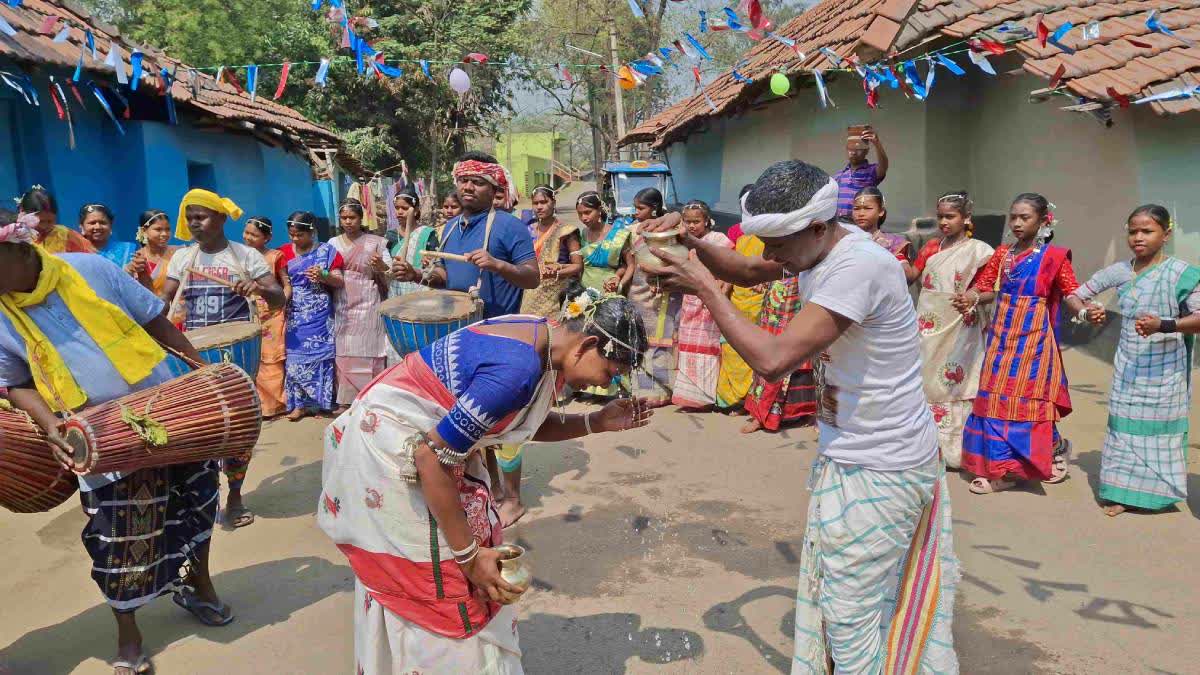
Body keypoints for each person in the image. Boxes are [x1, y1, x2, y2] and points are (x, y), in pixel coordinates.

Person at [645, 159, 957, 673]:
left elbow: (772, 361)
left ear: (817, 227)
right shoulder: (819, 246)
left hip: (881, 465)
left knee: (852, 618)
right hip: (858, 454)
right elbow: (746, 270)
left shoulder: (857, 266)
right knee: (849, 603)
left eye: (778, 245)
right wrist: (688, 243)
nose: (770, 257)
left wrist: (700, 284)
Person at [317, 286, 653, 674]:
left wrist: (596, 422)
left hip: (431, 448)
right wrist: (470, 558)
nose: (604, 385)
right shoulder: (517, 370)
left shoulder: (542, 335)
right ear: (588, 343)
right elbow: (430, 459)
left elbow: (510, 419)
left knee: (462, 559)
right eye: (610, 372)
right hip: (392, 453)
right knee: (439, 578)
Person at [0, 218, 230, 675]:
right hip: (93, 431)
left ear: (20, 251)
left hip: (166, 404)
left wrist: (201, 372)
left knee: (196, 499)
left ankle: (199, 583)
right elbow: (14, 382)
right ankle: (128, 631)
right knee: (115, 533)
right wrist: (49, 423)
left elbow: (155, 322)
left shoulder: (90, 269)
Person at [161, 189, 286, 529]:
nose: (193, 223)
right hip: (194, 355)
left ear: (219, 218)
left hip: (236, 357)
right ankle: (204, 496)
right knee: (199, 431)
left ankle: (234, 494)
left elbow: (277, 297)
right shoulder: (183, 259)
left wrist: (256, 288)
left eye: (200, 217)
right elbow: (165, 298)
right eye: (190, 218)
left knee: (240, 430)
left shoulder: (245, 257)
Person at [1064, 205, 1200, 517]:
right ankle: (1121, 493)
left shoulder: (1181, 273)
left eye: (1147, 231)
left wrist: (1165, 325)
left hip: (1166, 369)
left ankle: (1155, 497)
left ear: (1165, 235)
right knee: (1123, 432)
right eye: (1133, 231)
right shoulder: (1119, 271)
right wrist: (1086, 312)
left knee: (1158, 434)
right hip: (1129, 365)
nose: (1138, 238)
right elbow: (1074, 294)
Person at [952, 193, 1079, 494]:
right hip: (1001, 337)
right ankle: (1006, 466)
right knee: (995, 398)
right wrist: (970, 297)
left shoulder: (1053, 257)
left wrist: (1085, 310)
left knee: (1026, 400)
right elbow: (985, 288)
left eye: (1025, 217)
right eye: (1014, 217)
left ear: (1044, 220)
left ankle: (1028, 461)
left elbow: (1071, 292)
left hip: (1034, 340)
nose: (1018, 223)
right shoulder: (1003, 254)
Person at [494, 185, 583, 527]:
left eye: (545, 201)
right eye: (536, 201)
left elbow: (576, 267)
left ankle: (545, 398)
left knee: (548, 350)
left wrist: (555, 271)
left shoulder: (566, 231)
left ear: (553, 204)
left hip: (552, 297)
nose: (540, 206)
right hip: (525, 297)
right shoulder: (526, 229)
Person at [390, 152, 538, 319]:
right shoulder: (450, 227)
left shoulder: (510, 225)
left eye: (477, 182)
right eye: (463, 180)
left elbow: (533, 278)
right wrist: (415, 275)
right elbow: (445, 275)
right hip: (456, 327)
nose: (467, 187)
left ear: (494, 189)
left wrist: (498, 265)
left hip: (498, 331)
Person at [912, 192, 994, 469]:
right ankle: (925, 448)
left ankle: (956, 451)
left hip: (960, 324)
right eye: (940, 217)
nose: (944, 222)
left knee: (955, 382)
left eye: (950, 216)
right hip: (927, 321)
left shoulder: (979, 250)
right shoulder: (932, 247)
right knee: (925, 380)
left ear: (966, 219)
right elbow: (912, 276)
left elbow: (989, 288)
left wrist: (971, 297)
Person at [330, 198, 393, 411]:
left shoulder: (376, 242)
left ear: (360, 218)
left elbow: (390, 272)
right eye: (344, 218)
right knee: (345, 348)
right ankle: (346, 400)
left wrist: (381, 266)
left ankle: (371, 397)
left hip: (369, 298)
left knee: (370, 347)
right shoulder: (333, 243)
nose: (348, 222)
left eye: (352, 217)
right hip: (342, 297)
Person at [280, 212, 344, 421]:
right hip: (295, 312)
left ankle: (321, 404)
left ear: (311, 232)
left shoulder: (327, 252)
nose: (294, 239)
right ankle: (299, 405)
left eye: (299, 235)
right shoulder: (283, 253)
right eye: (291, 234)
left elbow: (339, 281)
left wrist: (323, 276)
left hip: (320, 312)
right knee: (294, 359)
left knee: (323, 358)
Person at [621, 187, 681, 406]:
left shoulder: (670, 229)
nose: (636, 212)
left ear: (654, 208)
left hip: (665, 290)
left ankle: (666, 390)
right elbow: (626, 261)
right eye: (635, 207)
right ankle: (644, 390)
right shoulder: (631, 230)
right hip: (638, 290)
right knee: (641, 340)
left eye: (641, 208)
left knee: (664, 340)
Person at [672, 200, 733, 410]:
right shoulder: (682, 242)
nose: (691, 226)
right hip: (690, 299)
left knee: (710, 346)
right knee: (689, 346)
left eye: (696, 221)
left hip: (711, 299)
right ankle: (690, 396)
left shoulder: (718, 240)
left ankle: (707, 397)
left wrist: (723, 289)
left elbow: (730, 266)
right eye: (687, 221)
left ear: (707, 221)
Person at [576, 190, 632, 398]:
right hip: (587, 294)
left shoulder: (619, 234)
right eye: (580, 213)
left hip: (610, 293)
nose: (584, 218)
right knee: (588, 340)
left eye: (588, 212)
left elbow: (629, 265)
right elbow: (580, 266)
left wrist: (619, 281)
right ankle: (591, 386)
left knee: (612, 340)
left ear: (600, 210)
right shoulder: (582, 234)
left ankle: (619, 387)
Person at [716, 185, 767, 412]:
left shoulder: (773, 235)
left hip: (762, 300)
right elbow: (732, 264)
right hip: (738, 296)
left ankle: (749, 400)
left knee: (755, 348)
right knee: (732, 346)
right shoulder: (739, 234)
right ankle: (730, 398)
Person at [243, 216, 290, 418]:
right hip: (249, 312)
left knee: (271, 360)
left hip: (272, 313)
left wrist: (282, 304)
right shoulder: (239, 255)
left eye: (255, 235)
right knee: (254, 359)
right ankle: (259, 405)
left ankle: (276, 404)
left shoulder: (275, 256)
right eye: (246, 233)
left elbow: (286, 284)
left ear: (267, 238)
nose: (248, 238)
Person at [851, 187, 917, 282]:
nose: (861, 213)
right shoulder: (845, 240)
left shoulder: (894, 243)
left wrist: (884, 253)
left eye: (867, 208)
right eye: (856, 209)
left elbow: (907, 276)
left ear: (881, 211)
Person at [17, 185, 96, 253]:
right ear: (23, 212)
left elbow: (90, 261)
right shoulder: (13, 236)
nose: (44, 226)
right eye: (40, 221)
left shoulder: (66, 235)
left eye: (50, 221)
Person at [833, 126, 888, 221]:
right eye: (850, 149)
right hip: (839, 224)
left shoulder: (871, 171)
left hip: (859, 224)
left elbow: (884, 165)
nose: (853, 152)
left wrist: (877, 143)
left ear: (866, 151)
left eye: (858, 149)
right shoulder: (839, 176)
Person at [128, 209, 178, 297]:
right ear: (144, 231)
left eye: (167, 229)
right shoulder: (135, 258)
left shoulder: (178, 254)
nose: (164, 234)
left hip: (175, 309)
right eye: (158, 229)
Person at [80, 203, 137, 268]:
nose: (98, 227)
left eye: (103, 223)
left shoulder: (126, 251)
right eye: (92, 223)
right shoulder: (74, 251)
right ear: (82, 227)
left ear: (110, 226)